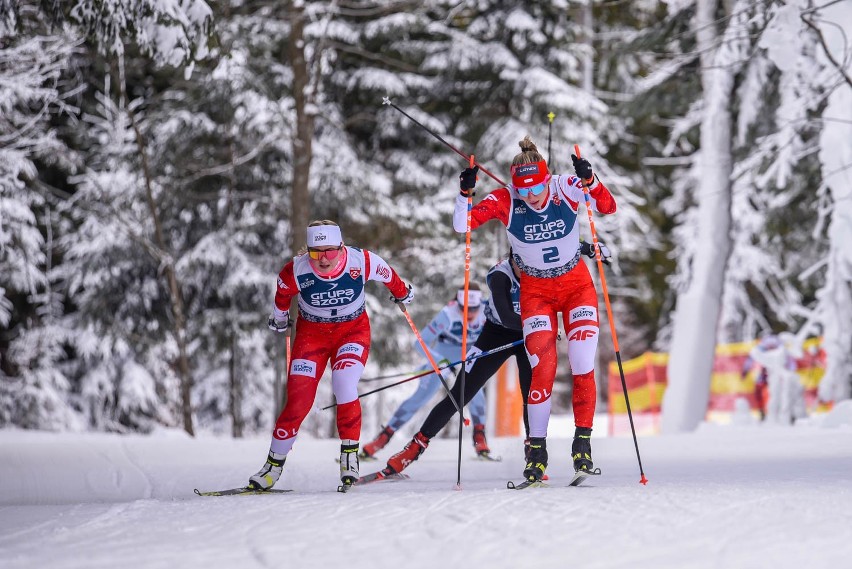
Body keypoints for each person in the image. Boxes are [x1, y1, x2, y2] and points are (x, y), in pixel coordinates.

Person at [365, 242, 614, 481]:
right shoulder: (500, 275)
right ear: (513, 260)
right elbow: (505, 315)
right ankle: (414, 448)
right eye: (523, 266)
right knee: (460, 393)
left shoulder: (540, 264)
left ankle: (534, 453)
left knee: (533, 392)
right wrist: (541, 328)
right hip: (497, 334)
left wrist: (590, 248)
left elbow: (564, 244)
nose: (529, 270)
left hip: (532, 335)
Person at [453, 136, 616, 483]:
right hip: (536, 292)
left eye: (537, 187)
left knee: (582, 360)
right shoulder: (506, 199)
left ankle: (582, 444)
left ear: (547, 178)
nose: (531, 196)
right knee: (542, 367)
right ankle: (537, 451)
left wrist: (591, 180)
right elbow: (462, 224)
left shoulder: (565, 186)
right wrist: (465, 195)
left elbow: (607, 206)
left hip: (576, 287)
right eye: (523, 190)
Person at [248, 220, 413, 490]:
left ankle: (349, 457)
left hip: (352, 332)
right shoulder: (295, 271)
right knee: (298, 400)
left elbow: (390, 277)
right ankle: (271, 468)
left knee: (344, 384)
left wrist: (403, 294)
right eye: (316, 252)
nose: (323, 259)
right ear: (308, 251)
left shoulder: (362, 261)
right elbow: (282, 295)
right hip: (311, 336)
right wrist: (279, 318)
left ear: (341, 246)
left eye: (330, 251)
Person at [360, 284, 491, 459]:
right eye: (465, 308)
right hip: (445, 353)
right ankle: (382, 438)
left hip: (470, 352)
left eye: (474, 309)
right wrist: (437, 360)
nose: (470, 313)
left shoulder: (487, 309)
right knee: (421, 397)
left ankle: (480, 439)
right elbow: (419, 343)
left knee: (476, 393)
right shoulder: (447, 314)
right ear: (458, 303)